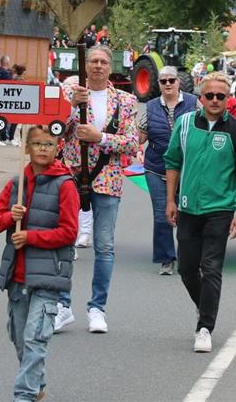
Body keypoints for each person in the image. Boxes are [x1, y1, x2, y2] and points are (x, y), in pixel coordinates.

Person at [0, 125, 79, 402]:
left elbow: (69, 232)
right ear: (26, 148)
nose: (42, 149)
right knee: (19, 339)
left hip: (48, 274)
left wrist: (31, 236)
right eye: (37, 144)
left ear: (57, 148)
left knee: (36, 338)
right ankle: (38, 389)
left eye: (48, 144)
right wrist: (8, 217)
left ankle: (23, 396)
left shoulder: (65, 184)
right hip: (17, 275)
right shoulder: (17, 184)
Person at [164, 72, 236, 353]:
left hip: (221, 209)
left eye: (221, 96)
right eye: (210, 95)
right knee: (187, 269)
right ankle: (205, 307)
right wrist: (171, 201)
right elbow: (172, 161)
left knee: (211, 268)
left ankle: (204, 327)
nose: (215, 100)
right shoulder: (184, 123)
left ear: (229, 99)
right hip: (189, 207)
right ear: (200, 97)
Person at [55, 46, 139, 334]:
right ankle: (63, 306)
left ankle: (97, 308)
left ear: (110, 66)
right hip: (71, 176)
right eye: (93, 61)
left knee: (104, 247)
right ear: (85, 65)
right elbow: (54, 130)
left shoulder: (126, 100)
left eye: (103, 62)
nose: (98, 66)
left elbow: (130, 143)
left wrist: (99, 137)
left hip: (108, 179)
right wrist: (70, 111)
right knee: (64, 242)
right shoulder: (70, 95)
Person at [138, 66, 198, 276]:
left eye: (171, 80)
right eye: (163, 81)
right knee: (162, 214)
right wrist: (134, 147)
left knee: (186, 213)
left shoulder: (193, 103)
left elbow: (206, 129)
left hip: (187, 168)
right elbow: (141, 135)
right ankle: (166, 258)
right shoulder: (151, 106)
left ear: (178, 82)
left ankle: (187, 255)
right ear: (159, 84)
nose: (168, 84)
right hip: (156, 167)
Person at [7, 64, 27, 147]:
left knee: (15, 122)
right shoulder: (20, 80)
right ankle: (13, 139)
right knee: (16, 122)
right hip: (19, 102)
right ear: (22, 72)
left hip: (15, 101)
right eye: (24, 73)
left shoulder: (14, 78)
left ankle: (14, 139)